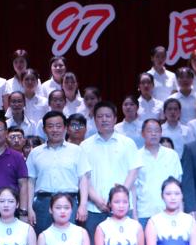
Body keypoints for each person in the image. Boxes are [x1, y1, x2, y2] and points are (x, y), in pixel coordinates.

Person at [26, 111, 91, 236]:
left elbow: (83, 179)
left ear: (65, 128)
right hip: (43, 203)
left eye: (58, 126)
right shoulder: (35, 153)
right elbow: (30, 182)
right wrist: (29, 208)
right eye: (50, 126)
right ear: (44, 129)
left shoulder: (77, 151)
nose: (55, 130)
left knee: (69, 240)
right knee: (43, 239)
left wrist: (83, 205)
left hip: (69, 202)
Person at [81, 101, 140, 237]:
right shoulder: (85, 146)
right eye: (100, 116)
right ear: (94, 119)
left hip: (123, 207)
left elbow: (133, 172)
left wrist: (120, 196)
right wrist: (96, 199)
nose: (104, 119)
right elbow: (84, 176)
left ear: (115, 119)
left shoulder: (128, 143)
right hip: (95, 208)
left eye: (108, 116)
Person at [134, 119, 182, 226]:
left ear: (161, 133)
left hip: (169, 211)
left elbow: (178, 185)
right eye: (149, 130)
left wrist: (180, 212)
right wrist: (134, 215)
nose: (153, 133)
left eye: (157, 130)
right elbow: (133, 189)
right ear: (142, 134)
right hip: (144, 212)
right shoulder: (136, 156)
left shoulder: (172, 155)